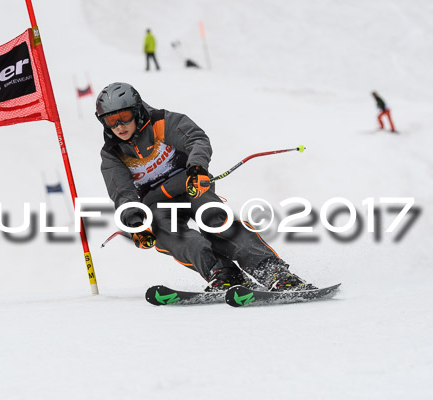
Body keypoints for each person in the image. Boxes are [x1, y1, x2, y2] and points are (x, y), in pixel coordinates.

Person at [96, 82, 317, 292]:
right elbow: (122, 193)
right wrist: (135, 223)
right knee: (168, 233)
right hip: (158, 203)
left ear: (137, 111)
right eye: (111, 120)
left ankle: (272, 271)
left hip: (191, 184)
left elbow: (196, 139)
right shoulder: (112, 154)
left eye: (124, 117)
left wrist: (197, 168)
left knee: (214, 221)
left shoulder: (161, 123)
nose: (119, 126)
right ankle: (223, 273)